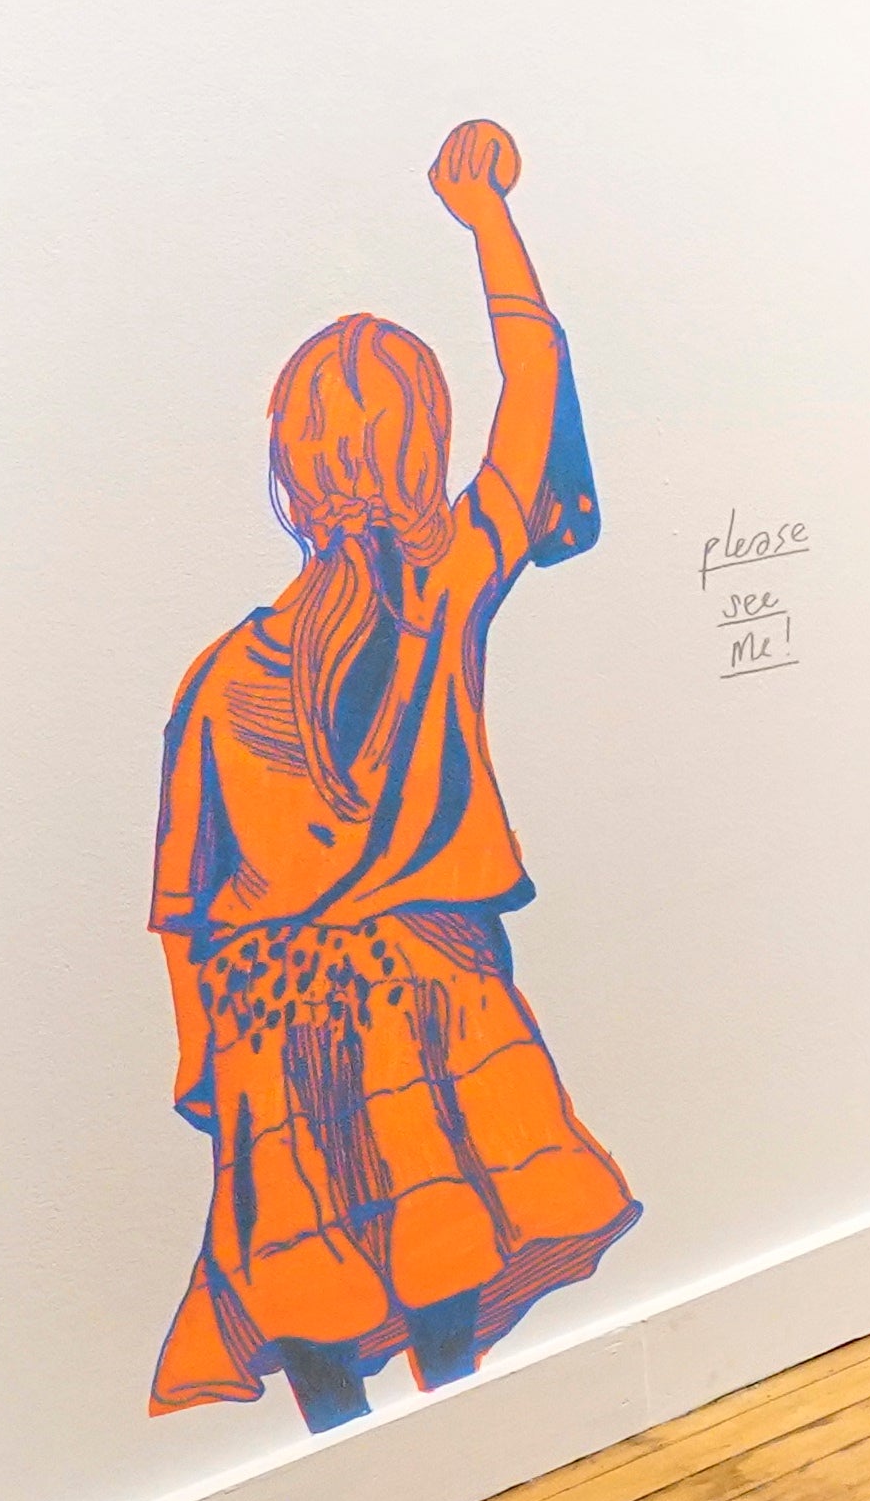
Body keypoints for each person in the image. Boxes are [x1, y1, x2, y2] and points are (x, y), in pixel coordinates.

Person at [147, 122, 635, 1429]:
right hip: (431, 988)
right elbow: (534, 381)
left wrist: (209, 1067)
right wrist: (488, 219)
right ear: (423, 449)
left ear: (290, 468)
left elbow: (183, 910)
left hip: (274, 1024)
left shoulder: (219, 680)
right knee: (446, 1290)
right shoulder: (451, 580)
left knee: (313, 1307)